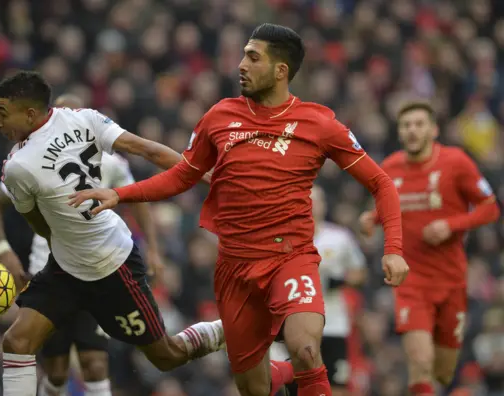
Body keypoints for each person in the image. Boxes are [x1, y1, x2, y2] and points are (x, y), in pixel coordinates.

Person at [68, 23, 409, 396]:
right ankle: (283, 374)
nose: (241, 65)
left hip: (290, 256)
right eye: (243, 54)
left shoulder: (319, 123)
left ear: (281, 70)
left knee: (308, 350)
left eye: (253, 57)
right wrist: (121, 195)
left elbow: (381, 182)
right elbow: (184, 174)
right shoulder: (219, 116)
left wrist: (393, 249)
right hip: (235, 268)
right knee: (255, 388)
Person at [0, 71, 228, 396]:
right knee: (17, 341)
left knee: (167, 356)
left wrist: (213, 181)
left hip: (112, 263)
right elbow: (147, 149)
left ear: (30, 113)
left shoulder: (18, 165)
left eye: (2, 113)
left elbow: (38, 224)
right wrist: (213, 178)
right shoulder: (84, 119)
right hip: (65, 268)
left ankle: (231, 329)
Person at [0, 93, 164, 396]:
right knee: (56, 372)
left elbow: (138, 200)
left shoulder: (110, 162)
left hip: (96, 270)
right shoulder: (29, 161)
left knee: (94, 363)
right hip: (51, 271)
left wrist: (154, 249)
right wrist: (4, 250)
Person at [359, 101, 501, 396]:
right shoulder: (390, 168)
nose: (412, 130)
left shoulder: (456, 162)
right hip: (410, 280)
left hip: (451, 280)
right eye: (406, 125)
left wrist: (451, 225)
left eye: (419, 124)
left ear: (434, 129)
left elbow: (490, 208)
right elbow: (389, 208)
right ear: (399, 132)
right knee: (419, 361)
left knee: (444, 370)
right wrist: (372, 218)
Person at [271, 185, 367, 396]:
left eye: (317, 201)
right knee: (296, 384)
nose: (312, 206)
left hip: (333, 325)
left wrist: (339, 280)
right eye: (307, 200)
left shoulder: (340, 237)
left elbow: (360, 272)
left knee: (338, 386)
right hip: (295, 325)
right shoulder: (283, 239)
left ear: (324, 205)